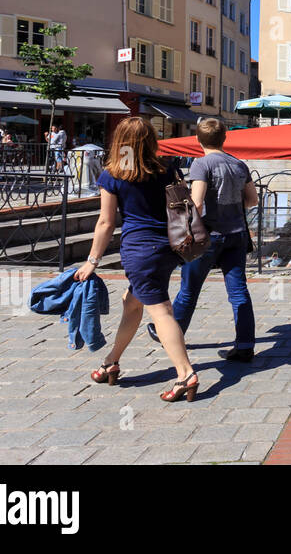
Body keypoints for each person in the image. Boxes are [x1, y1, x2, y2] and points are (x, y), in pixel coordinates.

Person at [75, 116, 199, 403]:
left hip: (140, 250)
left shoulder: (113, 173)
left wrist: (92, 260)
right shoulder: (166, 168)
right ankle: (111, 362)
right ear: (151, 140)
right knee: (132, 303)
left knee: (161, 312)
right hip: (168, 248)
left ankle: (185, 374)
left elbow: (106, 222)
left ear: (120, 141)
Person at [147, 118, 258, 363]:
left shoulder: (201, 164)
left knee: (189, 289)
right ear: (224, 138)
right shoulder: (240, 165)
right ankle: (245, 344)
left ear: (198, 140)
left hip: (209, 236)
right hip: (237, 235)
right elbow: (252, 200)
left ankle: (170, 334)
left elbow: (196, 203)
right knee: (238, 291)